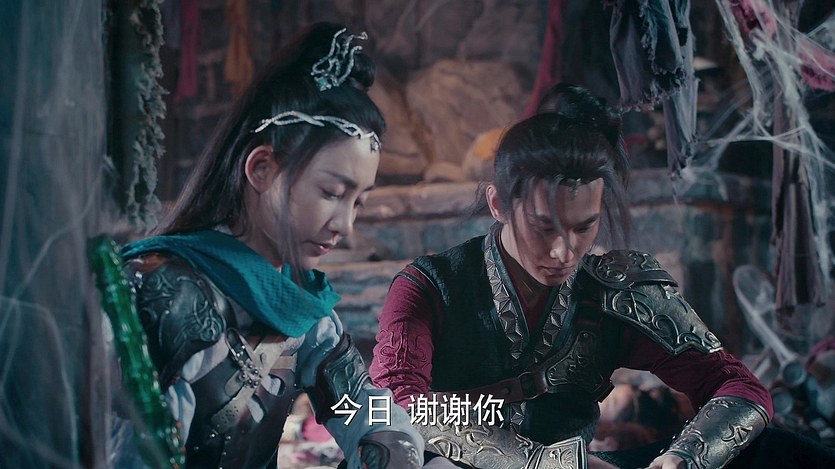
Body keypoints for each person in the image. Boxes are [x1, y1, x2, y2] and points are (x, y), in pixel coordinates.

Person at [369, 83, 835, 469]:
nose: (563, 251)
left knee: (773, 450)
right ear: (498, 205)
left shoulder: (614, 290)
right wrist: (556, 464)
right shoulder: (429, 287)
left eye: (583, 227)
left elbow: (738, 385)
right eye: (543, 227)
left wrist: (684, 458)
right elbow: (389, 405)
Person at [116, 22, 423, 469]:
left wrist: (401, 448)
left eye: (358, 202)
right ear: (261, 169)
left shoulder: (302, 308)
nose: (345, 225)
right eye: (332, 193)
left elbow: (363, 403)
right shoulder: (165, 295)